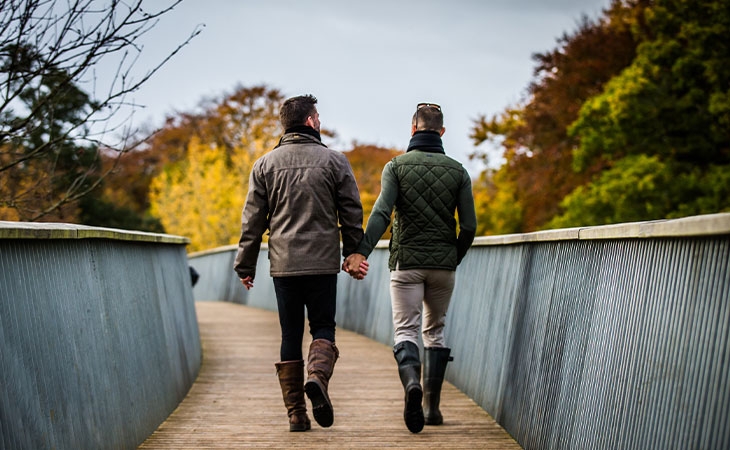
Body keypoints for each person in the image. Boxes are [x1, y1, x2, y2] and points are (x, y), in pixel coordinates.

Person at [233, 94, 364, 432]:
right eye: (317, 116)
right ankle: (317, 378)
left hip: (284, 265)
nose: (319, 120)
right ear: (310, 121)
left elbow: (253, 221)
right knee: (322, 327)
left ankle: (296, 414)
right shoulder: (335, 161)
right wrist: (353, 252)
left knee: (290, 333)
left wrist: (245, 265)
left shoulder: (264, 165)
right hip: (322, 263)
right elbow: (351, 212)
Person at [343, 102, 476, 433]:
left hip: (406, 264)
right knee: (435, 330)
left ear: (413, 129)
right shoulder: (458, 171)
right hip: (443, 266)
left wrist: (361, 252)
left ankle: (411, 384)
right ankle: (431, 409)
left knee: (406, 330)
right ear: (442, 132)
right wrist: (452, 257)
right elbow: (470, 227)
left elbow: (381, 214)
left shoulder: (396, 167)